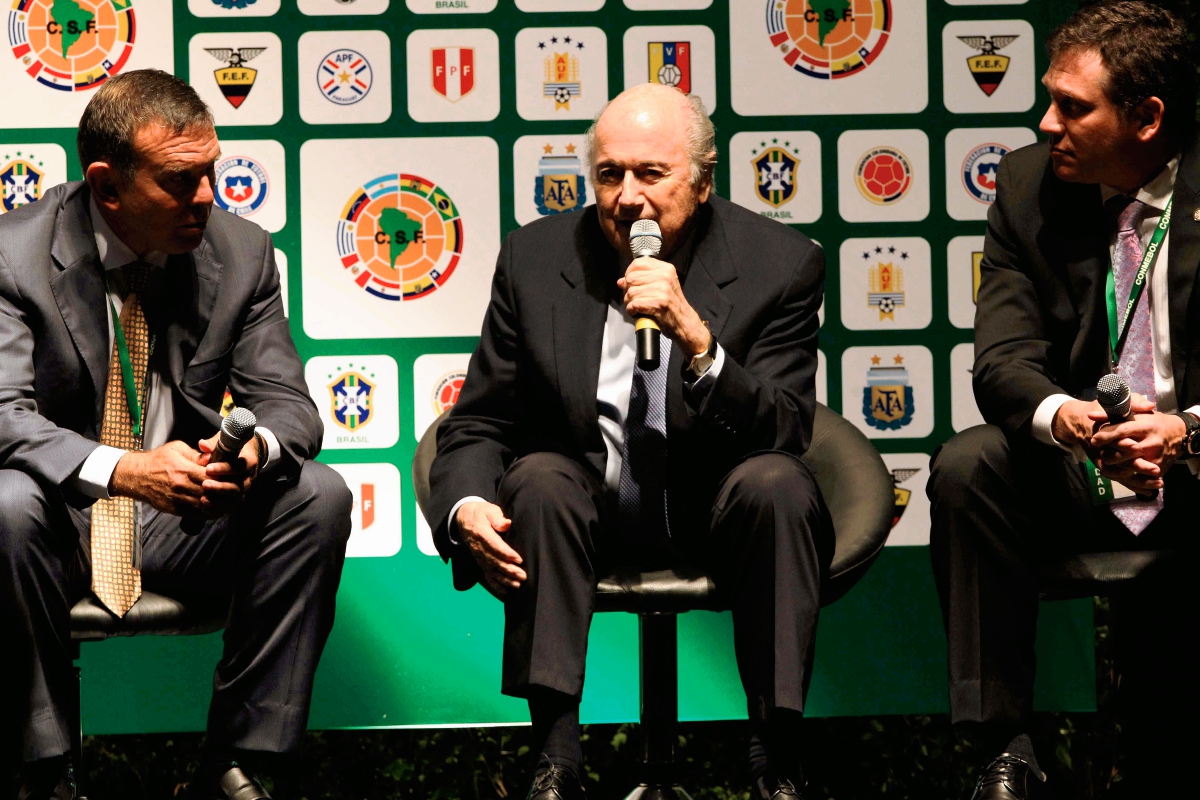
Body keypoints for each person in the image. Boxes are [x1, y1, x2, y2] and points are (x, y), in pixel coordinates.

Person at [427, 83, 830, 799]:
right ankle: (555, 760)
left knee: (779, 483)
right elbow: (481, 420)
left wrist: (699, 340)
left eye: (652, 174)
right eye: (610, 175)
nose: (628, 198)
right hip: (584, 519)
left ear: (703, 183)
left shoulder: (781, 263)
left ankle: (777, 759)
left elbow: (787, 426)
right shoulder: (535, 257)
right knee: (540, 478)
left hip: (716, 516)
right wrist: (462, 507)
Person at [0, 70, 352, 800]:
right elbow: (4, 414)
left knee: (316, 493)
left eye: (211, 173)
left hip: (182, 517)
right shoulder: (14, 256)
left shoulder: (242, 252)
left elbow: (290, 406)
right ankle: (47, 771)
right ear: (107, 186)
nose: (207, 199)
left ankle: (239, 765)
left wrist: (252, 454)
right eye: (180, 180)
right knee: (4, 504)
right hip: (60, 519)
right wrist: (126, 471)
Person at [926, 3, 1199, 797]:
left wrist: (1184, 433)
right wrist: (1069, 420)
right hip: (1084, 469)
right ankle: (1001, 752)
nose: (1047, 124)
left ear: (1147, 118)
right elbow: (1004, 359)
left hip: (1196, 470)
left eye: (1072, 107)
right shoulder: (1025, 186)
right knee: (970, 465)